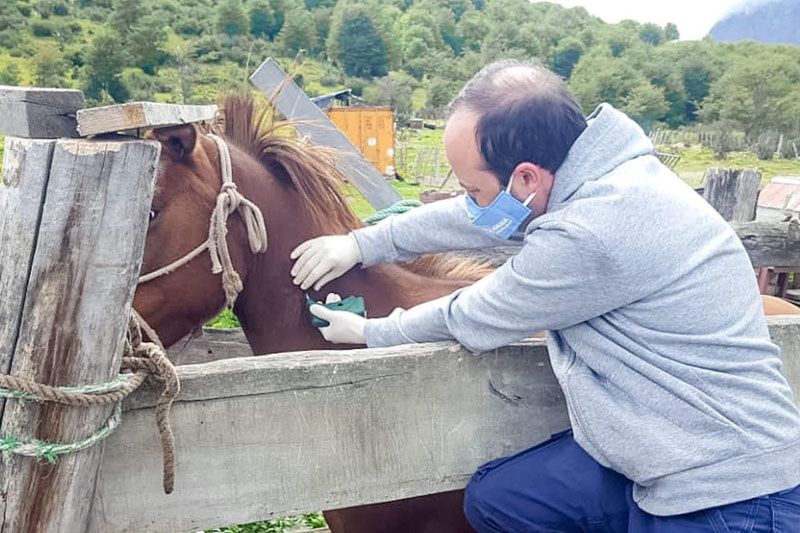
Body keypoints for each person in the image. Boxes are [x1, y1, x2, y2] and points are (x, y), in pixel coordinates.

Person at [289, 60, 800, 532]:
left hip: (727, 493)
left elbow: (477, 313)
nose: (471, 203)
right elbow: (470, 217)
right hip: (657, 444)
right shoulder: (601, 174)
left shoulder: (592, 231)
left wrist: (372, 331)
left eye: (474, 189)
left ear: (526, 177)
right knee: (503, 498)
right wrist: (361, 242)